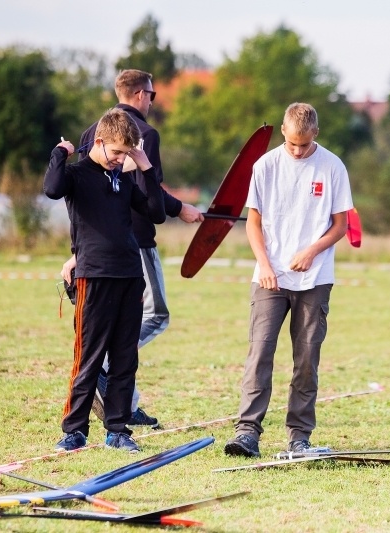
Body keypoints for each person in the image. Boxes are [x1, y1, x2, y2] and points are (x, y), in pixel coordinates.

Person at [61, 69, 202, 428]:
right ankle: (105, 373)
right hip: (133, 244)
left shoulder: (92, 131)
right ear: (140, 95)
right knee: (155, 317)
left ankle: (124, 407)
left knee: (127, 330)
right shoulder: (144, 134)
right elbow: (146, 191)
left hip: (95, 248)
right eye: (152, 95)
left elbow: (85, 203)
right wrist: (179, 207)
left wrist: (77, 249)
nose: (153, 101)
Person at [224, 103, 354, 458]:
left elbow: (340, 226)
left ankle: (299, 435)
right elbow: (253, 222)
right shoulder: (265, 166)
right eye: (293, 143)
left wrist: (312, 251)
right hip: (269, 278)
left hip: (315, 280)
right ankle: (247, 432)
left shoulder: (332, 167)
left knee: (306, 358)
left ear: (316, 135)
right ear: (283, 131)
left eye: (304, 144)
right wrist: (264, 264)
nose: (297, 150)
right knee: (260, 352)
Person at [45, 108, 165, 453]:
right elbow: (52, 188)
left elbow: (155, 213)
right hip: (94, 278)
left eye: (125, 154)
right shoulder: (78, 174)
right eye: (115, 153)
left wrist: (144, 166)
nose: (118, 160)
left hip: (129, 276)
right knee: (89, 357)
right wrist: (60, 152)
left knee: (125, 359)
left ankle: (117, 430)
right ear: (99, 142)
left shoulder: (124, 178)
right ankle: (74, 430)